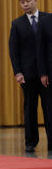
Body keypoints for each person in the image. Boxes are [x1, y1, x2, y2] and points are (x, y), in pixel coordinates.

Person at [9, 0, 52, 152]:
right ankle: (30, 142)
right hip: (27, 74)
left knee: (49, 108)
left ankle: (51, 142)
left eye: (28, 0)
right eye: (22, 2)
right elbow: (13, 51)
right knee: (30, 109)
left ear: (35, 0)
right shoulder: (17, 24)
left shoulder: (48, 18)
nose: (26, 4)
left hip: (47, 73)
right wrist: (18, 72)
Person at [36, 8, 52, 150]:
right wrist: (43, 73)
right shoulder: (44, 22)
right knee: (49, 109)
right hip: (49, 73)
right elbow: (40, 50)